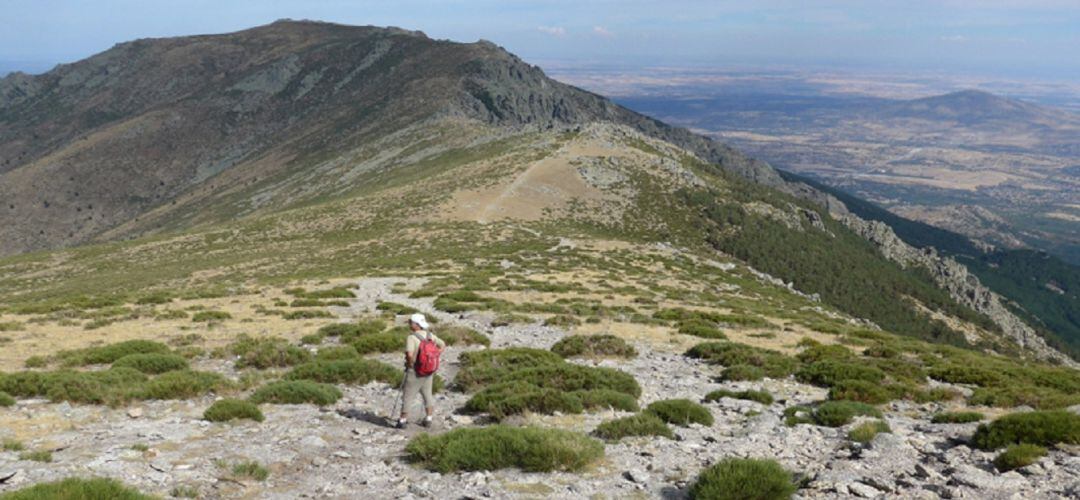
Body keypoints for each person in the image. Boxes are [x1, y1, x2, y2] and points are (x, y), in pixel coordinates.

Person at [398, 313, 445, 429]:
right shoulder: (430, 335)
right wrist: (435, 356)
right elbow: (442, 344)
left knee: (408, 396)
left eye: (411, 322)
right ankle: (428, 418)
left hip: (415, 371)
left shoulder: (412, 337)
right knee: (427, 394)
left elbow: (409, 354)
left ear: (416, 324)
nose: (409, 324)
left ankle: (402, 421)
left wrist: (410, 364)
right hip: (429, 370)